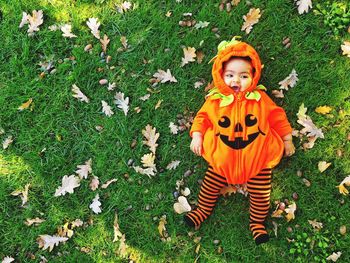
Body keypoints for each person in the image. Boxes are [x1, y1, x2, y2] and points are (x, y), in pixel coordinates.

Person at [184, 37, 295, 245]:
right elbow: (202, 118)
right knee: (209, 187)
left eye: (243, 75)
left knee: (261, 196)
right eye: (230, 75)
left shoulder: (261, 99)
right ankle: (201, 212)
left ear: (253, 76)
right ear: (220, 75)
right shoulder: (215, 101)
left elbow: (277, 117)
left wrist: (287, 139)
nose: (236, 80)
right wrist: (197, 135)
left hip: (257, 162)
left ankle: (257, 224)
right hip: (221, 161)